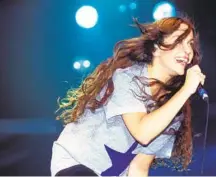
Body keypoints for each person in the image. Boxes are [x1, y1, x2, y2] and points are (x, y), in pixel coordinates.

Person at [51, 16, 205, 176]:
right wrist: (186, 89)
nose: (188, 51)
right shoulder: (127, 78)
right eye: (179, 41)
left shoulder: (171, 111)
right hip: (76, 163)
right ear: (156, 48)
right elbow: (143, 133)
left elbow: (139, 167)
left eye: (190, 44)